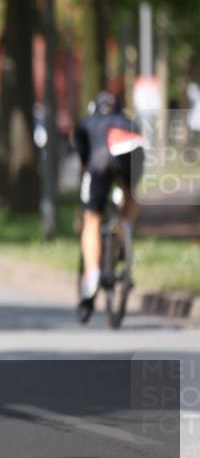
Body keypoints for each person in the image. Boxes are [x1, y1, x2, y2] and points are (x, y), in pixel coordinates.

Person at [73, 87, 145, 321]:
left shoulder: (87, 123)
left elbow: (84, 163)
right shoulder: (128, 120)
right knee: (131, 193)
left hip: (100, 159)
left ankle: (92, 274)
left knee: (92, 218)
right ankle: (125, 232)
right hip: (132, 154)